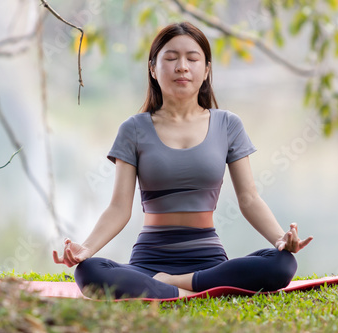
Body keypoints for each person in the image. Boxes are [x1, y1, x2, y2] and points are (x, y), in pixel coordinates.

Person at [52, 22, 313, 299]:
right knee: (89, 271)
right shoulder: (134, 129)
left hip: (209, 260)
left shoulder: (227, 124)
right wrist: (87, 249)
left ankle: (171, 285)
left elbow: (249, 198)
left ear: (207, 69)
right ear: (153, 68)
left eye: (192, 58)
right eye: (171, 57)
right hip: (147, 261)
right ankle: (192, 289)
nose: (182, 67)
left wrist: (279, 239)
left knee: (282, 264)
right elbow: (119, 208)